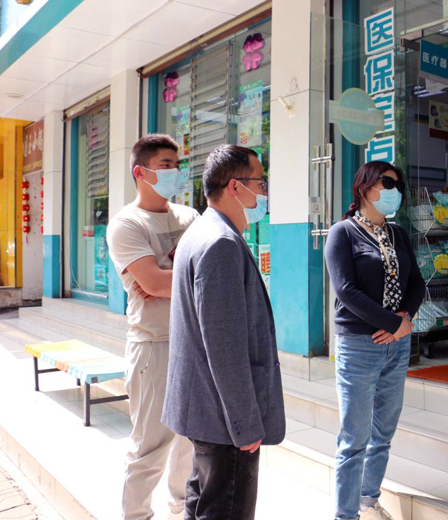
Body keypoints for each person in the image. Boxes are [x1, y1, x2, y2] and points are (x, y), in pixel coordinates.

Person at [162, 144, 285, 520]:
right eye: (260, 182)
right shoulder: (221, 243)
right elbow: (225, 347)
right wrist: (244, 423)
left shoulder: (203, 232)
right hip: (224, 420)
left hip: (206, 410)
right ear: (235, 187)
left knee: (202, 502)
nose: (264, 192)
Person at [324, 161, 426, 520]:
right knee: (354, 438)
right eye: (388, 183)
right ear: (366, 188)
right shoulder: (342, 233)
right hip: (358, 346)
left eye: (399, 185)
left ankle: (368, 502)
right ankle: (345, 515)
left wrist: (404, 318)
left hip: (397, 345)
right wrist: (393, 323)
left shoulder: (398, 234)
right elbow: (346, 290)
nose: (396, 190)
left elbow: (417, 283)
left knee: (383, 433)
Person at [106, 134, 198, 520]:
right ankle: (136, 515)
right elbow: (156, 283)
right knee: (150, 446)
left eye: (177, 165)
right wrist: (170, 278)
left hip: (192, 340)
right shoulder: (127, 223)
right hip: (153, 344)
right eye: (165, 165)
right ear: (140, 172)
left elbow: (171, 279)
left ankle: (180, 507)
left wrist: (164, 277)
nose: (175, 172)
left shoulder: (190, 217)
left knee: (189, 440)